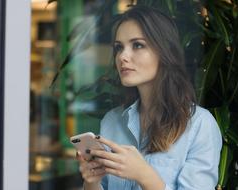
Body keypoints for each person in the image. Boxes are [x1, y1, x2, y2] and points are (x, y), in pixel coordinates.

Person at [76, 5, 222, 190]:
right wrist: (92, 181)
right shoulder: (111, 121)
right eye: (119, 48)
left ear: (164, 51)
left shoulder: (200, 125)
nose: (123, 56)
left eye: (137, 45)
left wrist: (145, 176)